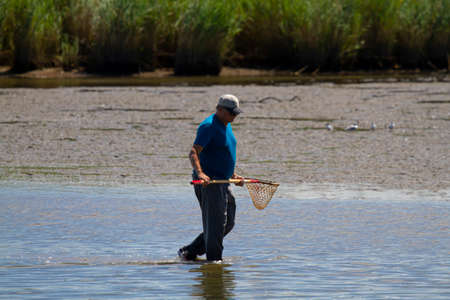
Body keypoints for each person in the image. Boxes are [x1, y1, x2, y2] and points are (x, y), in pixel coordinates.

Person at [178, 94, 244, 262]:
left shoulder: (226, 124)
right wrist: (200, 173)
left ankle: (190, 251)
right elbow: (193, 152)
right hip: (210, 184)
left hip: (224, 181)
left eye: (235, 113)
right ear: (219, 109)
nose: (234, 116)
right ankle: (214, 265)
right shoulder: (208, 126)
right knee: (215, 228)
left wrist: (232, 175)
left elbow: (220, 152)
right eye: (231, 113)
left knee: (228, 223)